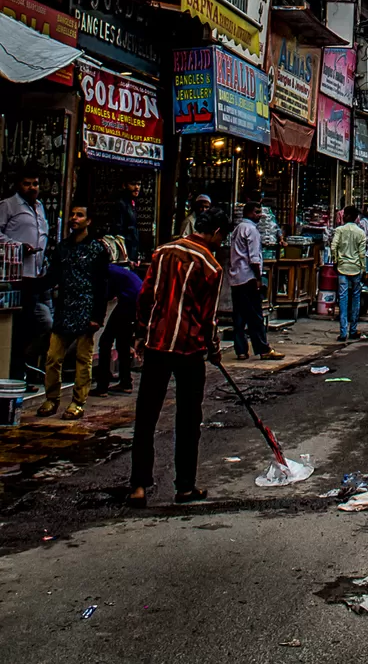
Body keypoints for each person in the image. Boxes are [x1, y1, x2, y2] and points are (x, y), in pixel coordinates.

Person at [127, 206, 228, 507]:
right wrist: (214, 347)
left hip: (157, 343)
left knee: (146, 416)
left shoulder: (163, 252)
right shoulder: (211, 266)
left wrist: (141, 332)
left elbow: (146, 296)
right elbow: (207, 316)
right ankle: (184, 486)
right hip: (189, 348)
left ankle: (138, 486)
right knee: (188, 417)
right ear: (217, 233)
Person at [37, 201, 109, 419]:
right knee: (53, 357)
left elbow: (102, 284)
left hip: (86, 309)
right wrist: (32, 286)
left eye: (79, 215)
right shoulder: (63, 248)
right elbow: (53, 276)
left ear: (88, 221)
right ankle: (51, 398)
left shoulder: (97, 249)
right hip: (64, 308)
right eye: (72, 215)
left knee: (82, 359)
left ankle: (78, 402)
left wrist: (98, 315)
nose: (74, 219)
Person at [0, 161, 51, 383]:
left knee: (38, 323)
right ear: (19, 185)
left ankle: (25, 368)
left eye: (35, 184)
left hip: (36, 275)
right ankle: (14, 373)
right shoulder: (8, 206)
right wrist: (18, 246)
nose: (32, 187)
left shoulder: (39, 207)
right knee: (18, 328)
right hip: (15, 275)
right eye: (27, 184)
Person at [229, 202, 284, 361]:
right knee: (255, 316)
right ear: (249, 213)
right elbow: (253, 258)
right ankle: (263, 348)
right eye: (257, 212)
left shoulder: (238, 229)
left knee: (239, 317)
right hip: (248, 277)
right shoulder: (251, 231)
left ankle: (241, 350)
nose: (260, 215)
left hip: (236, 278)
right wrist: (258, 278)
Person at [93, 236, 143, 395]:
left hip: (129, 303)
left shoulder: (105, 271)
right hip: (134, 302)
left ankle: (102, 385)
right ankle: (125, 381)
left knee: (105, 341)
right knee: (122, 342)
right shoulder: (114, 270)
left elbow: (105, 295)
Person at [331, 205, 368, 343]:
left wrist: (336, 260)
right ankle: (353, 329)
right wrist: (364, 269)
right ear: (356, 217)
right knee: (356, 299)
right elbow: (362, 253)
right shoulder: (360, 232)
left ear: (345, 216)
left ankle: (343, 332)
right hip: (356, 268)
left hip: (342, 268)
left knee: (343, 299)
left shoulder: (339, 230)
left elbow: (334, 246)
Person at [108, 176, 142, 266]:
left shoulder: (132, 204)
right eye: (133, 184)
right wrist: (126, 257)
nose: (137, 187)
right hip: (125, 256)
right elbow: (119, 233)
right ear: (124, 185)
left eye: (139, 184)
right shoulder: (120, 204)